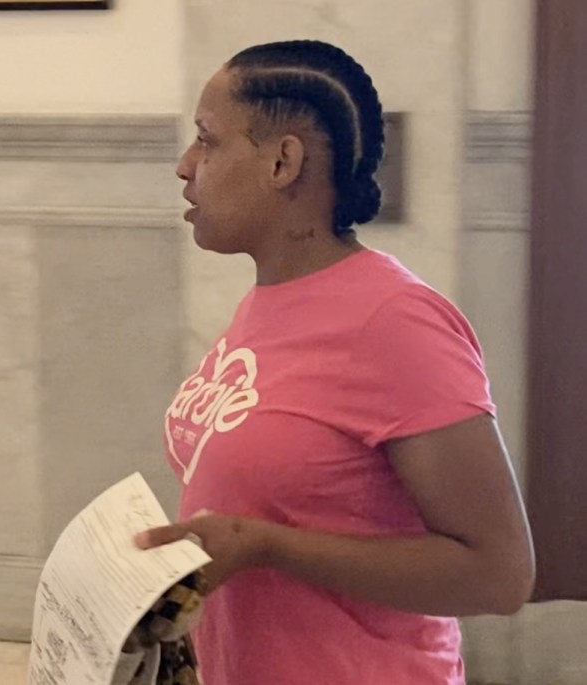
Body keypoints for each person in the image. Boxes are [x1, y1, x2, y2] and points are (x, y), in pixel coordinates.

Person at [135, 40, 535, 685]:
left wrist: (263, 546)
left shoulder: (394, 320)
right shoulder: (270, 301)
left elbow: (498, 574)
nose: (185, 166)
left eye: (208, 141)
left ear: (282, 162)